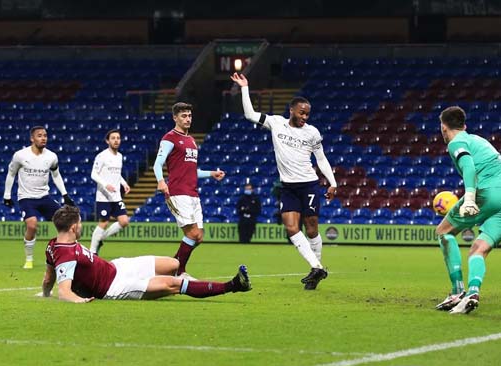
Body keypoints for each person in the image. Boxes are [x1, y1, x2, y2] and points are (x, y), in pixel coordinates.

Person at [231, 73, 338, 290]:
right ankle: (317, 267)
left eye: (307, 114)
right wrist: (245, 88)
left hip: (309, 184)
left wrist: (332, 182)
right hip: (287, 187)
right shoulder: (276, 123)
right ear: (291, 110)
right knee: (291, 228)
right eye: (301, 113)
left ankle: (316, 268)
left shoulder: (312, 133)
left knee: (311, 228)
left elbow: (321, 159)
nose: (305, 117)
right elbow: (250, 114)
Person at [40, 205, 251, 302]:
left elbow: (49, 277)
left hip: (117, 267)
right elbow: (64, 291)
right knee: (174, 285)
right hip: (115, 287)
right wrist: (78, 300)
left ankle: (189, 279)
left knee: (174, 264)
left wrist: (44, 293)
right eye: (79, 222)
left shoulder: (53, 245)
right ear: (74, 228)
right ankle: (233, 285)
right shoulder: (65, 254)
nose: (81, 225)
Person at [434, 106, 501, 314]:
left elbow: (469, 167)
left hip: (488, 192)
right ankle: (473, 292)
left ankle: (457, 291)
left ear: (444, 128)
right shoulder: (479, 140)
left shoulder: (457, 142)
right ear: (464, 126)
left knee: (443, 232)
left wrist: (470, 197)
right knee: (479, 249)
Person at [153, 102, 225, 278]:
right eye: (184, 116)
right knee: (192, 233)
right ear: (175, 118)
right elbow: (157, 163)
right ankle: (179, 271)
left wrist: (211, 174)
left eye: (189, 115)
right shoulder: (169, 138)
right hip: (178, 192)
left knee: (199, 236)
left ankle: (172, 267)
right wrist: (161, 181)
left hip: (193, 193)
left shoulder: (191, 141)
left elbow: (192, 170)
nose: (187, 119)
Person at [3, 126, 75, 269]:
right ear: (32, 138)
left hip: (44, 197)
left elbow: (56, 175)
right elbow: (11, 174)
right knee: (32, 225)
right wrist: (7, 194)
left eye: (45, 135)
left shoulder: (51, 157)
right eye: (39, 136)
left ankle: (69, 254)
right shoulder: (20, 155)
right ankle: (29, 259)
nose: (43, 138)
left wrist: (65, 194)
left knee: (66, 222)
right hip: (26, 198)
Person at [89, 129, 131, 255]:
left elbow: (117, 174)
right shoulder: (102, 156)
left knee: (124, 221)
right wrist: (106, 185)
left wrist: (124, 183)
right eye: (113, 138)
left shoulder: (120, 156)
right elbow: (93, 174)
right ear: (108, 141)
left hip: (116, 196)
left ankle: (101, 238)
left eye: (118, 138)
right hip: (103, 196)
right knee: (104, 222)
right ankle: (92, 251)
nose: (116, 140)